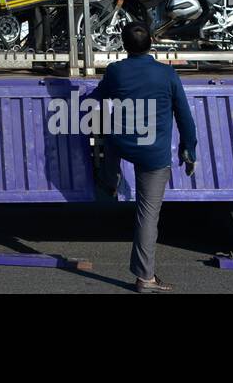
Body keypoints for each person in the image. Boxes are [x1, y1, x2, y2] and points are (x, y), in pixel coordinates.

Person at [93, 21, 198, 293]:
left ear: (124, 44)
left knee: (108, 136)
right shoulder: (167, 74)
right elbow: (184, 117)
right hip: (153, 153)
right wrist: (189, 150)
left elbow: (98, 98)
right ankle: (145, 278)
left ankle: (109, 179)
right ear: (151, 42)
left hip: (122, 144)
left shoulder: (116, 71)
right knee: (147, 215)